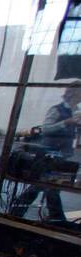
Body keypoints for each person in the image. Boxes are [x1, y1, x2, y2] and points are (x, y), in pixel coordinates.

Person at [8, 80, 81, 223]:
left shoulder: (75, 111)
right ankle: (56, 217)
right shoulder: (56, 110)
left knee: (51, 186)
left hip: (64, 155)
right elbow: (46, 129)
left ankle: (21, 212)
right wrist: (66, 122)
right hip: (49, 154)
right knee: (47, 186)